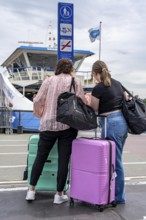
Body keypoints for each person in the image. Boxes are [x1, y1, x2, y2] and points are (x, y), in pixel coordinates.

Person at [25, 58, 87, 204]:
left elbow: (37, 100)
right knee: (63, 160)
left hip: (48, 124)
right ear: (70, 69)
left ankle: (31, 191)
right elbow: (82, 102)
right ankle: (59, 195)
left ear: (58, 68)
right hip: (68, 126)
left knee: (40, 157)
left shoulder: (48, 80)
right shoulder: (75, 81)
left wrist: (42, 114)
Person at [88, 60, 128, 204]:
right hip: (122, 122)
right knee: (115, 160)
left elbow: (94, 108)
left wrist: (87, 99)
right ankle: (114, 193)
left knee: (114, 162)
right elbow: (125, 99)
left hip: (110, 122)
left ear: (95, 73)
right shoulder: (117, 83)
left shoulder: (98, 88)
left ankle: (118, 197)